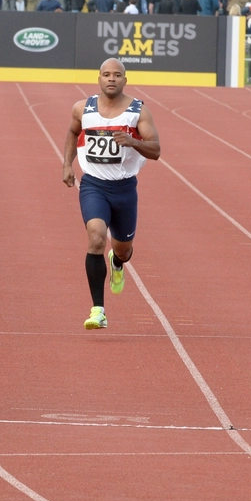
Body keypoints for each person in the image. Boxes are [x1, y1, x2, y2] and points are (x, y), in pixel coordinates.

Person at [62, 59, 160, 329]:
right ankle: (98, 310)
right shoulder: (82, 108)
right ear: (99, 79)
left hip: (125, 189)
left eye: (117, 75)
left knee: (123, 249)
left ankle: (117, 262)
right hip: (94, 185)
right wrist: (66, 164)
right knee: (95, 238)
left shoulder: (138, 112)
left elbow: (156, 150)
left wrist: (132, 141)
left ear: (125, 80)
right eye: (106, 75)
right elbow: (73, 132)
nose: (111, 79)